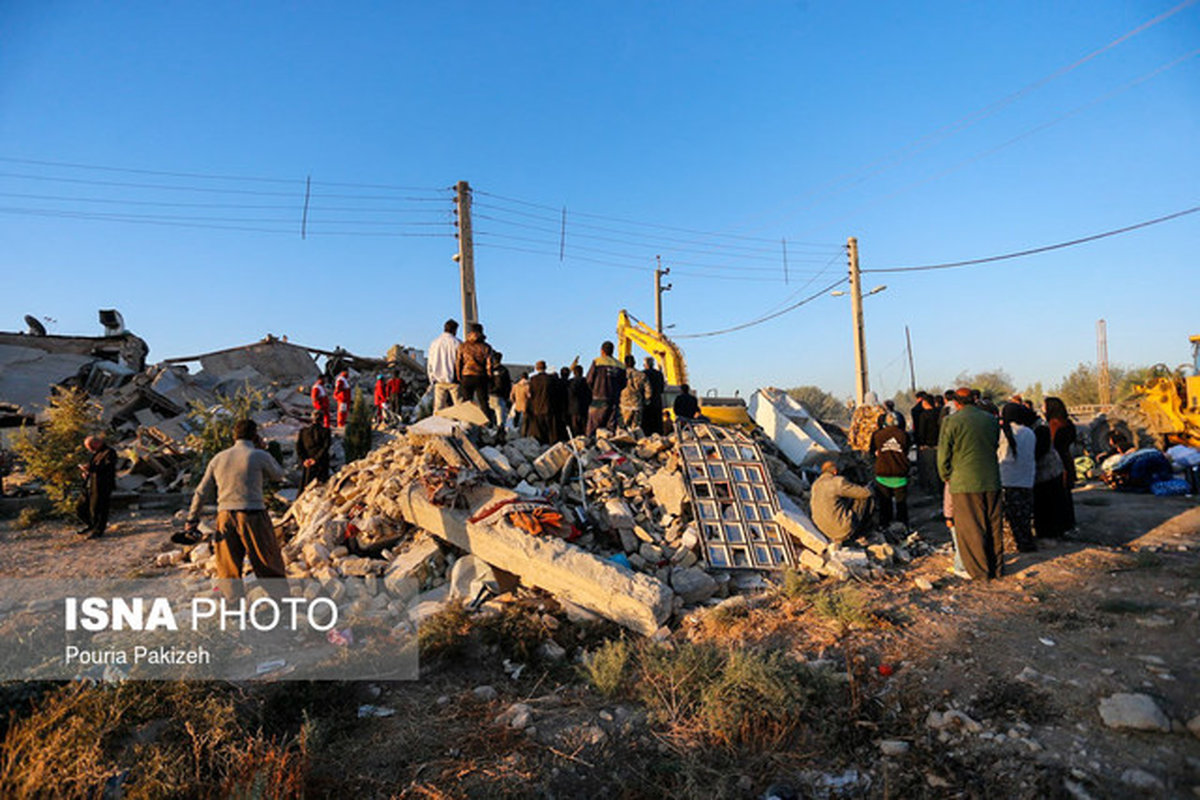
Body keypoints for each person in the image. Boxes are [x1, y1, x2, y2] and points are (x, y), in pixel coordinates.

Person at [184, 419, 286, 586]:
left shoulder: (218, 458)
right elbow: (279, 475)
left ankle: (233, 609)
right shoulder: (259, 455)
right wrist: (264, 450)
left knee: (228, 569)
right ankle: (280, 605)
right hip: (253, 516)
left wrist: (192, 520)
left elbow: (201, 491)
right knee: (267, 563)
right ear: (255, 436)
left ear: (234, 436)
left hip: (224, 517)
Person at [938, 388, 1004, 580]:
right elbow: (993, 445)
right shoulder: (990, 420)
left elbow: (943, 456)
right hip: (991, 479)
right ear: (974, 400)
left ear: (957, 403)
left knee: (971, 528)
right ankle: (996, 568)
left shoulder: (951, 422)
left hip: (965, 483)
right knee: (993, 526)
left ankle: (979, 572)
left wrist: (946, 475)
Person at [998, 402, 1037, 552]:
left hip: (1006, 480)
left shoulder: (1001, 434)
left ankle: (1012, 545)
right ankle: (1025, 542)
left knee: (1009, 518)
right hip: (1026, 480)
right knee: (1024, 517)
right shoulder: (1029, 432)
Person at [811, 460, 875, 544]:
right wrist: (869, 488)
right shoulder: (837, 482)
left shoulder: (815, 484)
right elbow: (864, 493)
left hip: (823, 530)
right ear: (835, 471)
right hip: (840, 530)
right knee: (863, 498)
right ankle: (860, 533)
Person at [870, 412, 909, 530]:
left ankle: (885, 525)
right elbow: (906, 451)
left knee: (884, 502)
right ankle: (903, 525)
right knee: (901, 502)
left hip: (883, 473)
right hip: (900, 473)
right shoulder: (903, 435)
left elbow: (872, 451)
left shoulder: (877, 435)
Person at [1043, 397, 1077, 532]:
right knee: (1066, 495)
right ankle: (1069, 524)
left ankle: (1060, 526)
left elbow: (1051, 443)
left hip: (1058, 461)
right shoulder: (1069, 423)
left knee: (1059, 494)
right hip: (1067, 459)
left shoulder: (1054, 424)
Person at [75, 434, 116, 538]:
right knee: (81, 507)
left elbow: (107, 467)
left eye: (90, 447)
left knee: (99, 509)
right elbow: (94, 468)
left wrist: (91, 468)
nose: (90, 450)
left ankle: (98, 531)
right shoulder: (97, 453)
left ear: (96, 443)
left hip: (103, 485)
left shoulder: (109, 452)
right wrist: (87, 472)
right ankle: (91, 525)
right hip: (90, 484)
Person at [455, 323, 495, 425]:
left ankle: (466, 423)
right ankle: (487, 424)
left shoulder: (463, 346)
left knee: (466, 402)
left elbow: (458, 362)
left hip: (466, 375)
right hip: (481, 376)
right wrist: (490, 376)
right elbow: (489, 364)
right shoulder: (486, 347)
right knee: (483, 402)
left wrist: (459, 376)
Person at [1032, 425, 1068, 539]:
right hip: (1053, 473)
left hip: (1045, 475)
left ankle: (1047, 534)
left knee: (1044, 508)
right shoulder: (1042, 429)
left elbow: (1039, 452)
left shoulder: (1038, 432)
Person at [585, 341, 626, 436]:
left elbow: (589, 380)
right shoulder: (620, 365)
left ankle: (592, 447)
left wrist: (595, 390)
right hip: (614, 401)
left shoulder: (597, 362)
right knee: (610, 430)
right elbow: (623, 384)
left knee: (593, 429)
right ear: (612, 351)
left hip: (598, 399)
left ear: (602, 351)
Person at [427, 319, 462, 413]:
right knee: (460, 407)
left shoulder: (434, 343)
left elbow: (430, 362)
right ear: (455, 330)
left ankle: (436, 426)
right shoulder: (457, 343)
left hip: (438, 379)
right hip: (453, 379)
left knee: (438, 408)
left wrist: (431, 378)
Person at [296, 410, 331, 489]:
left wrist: (304, 460)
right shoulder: (326, 431)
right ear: (322, 419)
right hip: (321, 463)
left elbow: (299, 447)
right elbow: (325, 447)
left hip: (307, 463)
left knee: (306, 485)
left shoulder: (303, 432)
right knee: (321, 487)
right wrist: (315, 459)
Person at [915, 392, 942, 494]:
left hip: (928, 445)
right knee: (938, 467)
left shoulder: (924, 415)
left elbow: (922, 431)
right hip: (938, 443)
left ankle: (933, 489)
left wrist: (921, 443)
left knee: (930, 468)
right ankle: (940, 488)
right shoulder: (938, 412)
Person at [524, 361, 557, 445]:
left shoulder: (533, 379)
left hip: (537, 407)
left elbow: (530, 394)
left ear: (536, 368)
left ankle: (540, 444)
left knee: (539, 430)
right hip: (549, 407)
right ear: (545, 368)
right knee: (550, 429)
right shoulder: (550, 379)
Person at [619, 355, 650, 432]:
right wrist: (646, 401)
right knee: (636, 429)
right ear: (634, 363)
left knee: (623, 428)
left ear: (625, 363)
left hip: (624, 405)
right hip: (637, 404)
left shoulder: (621, 374)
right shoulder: (641, 375)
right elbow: (648, 390)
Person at [565, 364, 591, 438]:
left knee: (575, 429)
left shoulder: (570, 382)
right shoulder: (586, 382)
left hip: (573, 409)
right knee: (584, 428)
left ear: (574, 372)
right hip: (585, 408)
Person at [642, 357, 665, 435]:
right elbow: (662, 389)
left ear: (645, 364)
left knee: (646, 426)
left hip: (646, 403)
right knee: (657, 425)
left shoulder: (643, 374)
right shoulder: (659, 374)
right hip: (657, 402)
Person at [489, 351, 512, 429]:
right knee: (500, 419)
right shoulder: (504, 370)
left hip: (489, 395)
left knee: (489, 418)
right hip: (500, 396)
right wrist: (506, 397)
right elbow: (508, 385)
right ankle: (500, 434)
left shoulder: (489, 369)